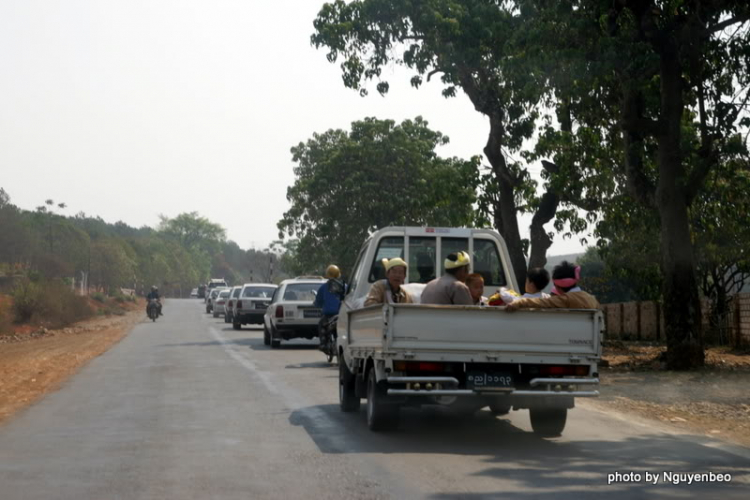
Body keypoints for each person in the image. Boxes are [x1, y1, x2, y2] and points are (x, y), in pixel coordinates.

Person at [505, 261, 599, 311]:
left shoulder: (565, 299)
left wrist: (518, 303)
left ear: (557, 286)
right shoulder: (591, 298)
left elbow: (540, 303)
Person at [314, 265, 343, 350]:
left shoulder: (323, 287)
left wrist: (317, 305)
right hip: (341, 315)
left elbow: (318, 301)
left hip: (328, 315)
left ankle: (323, 343)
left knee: (321, 325)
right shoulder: (344, 286)